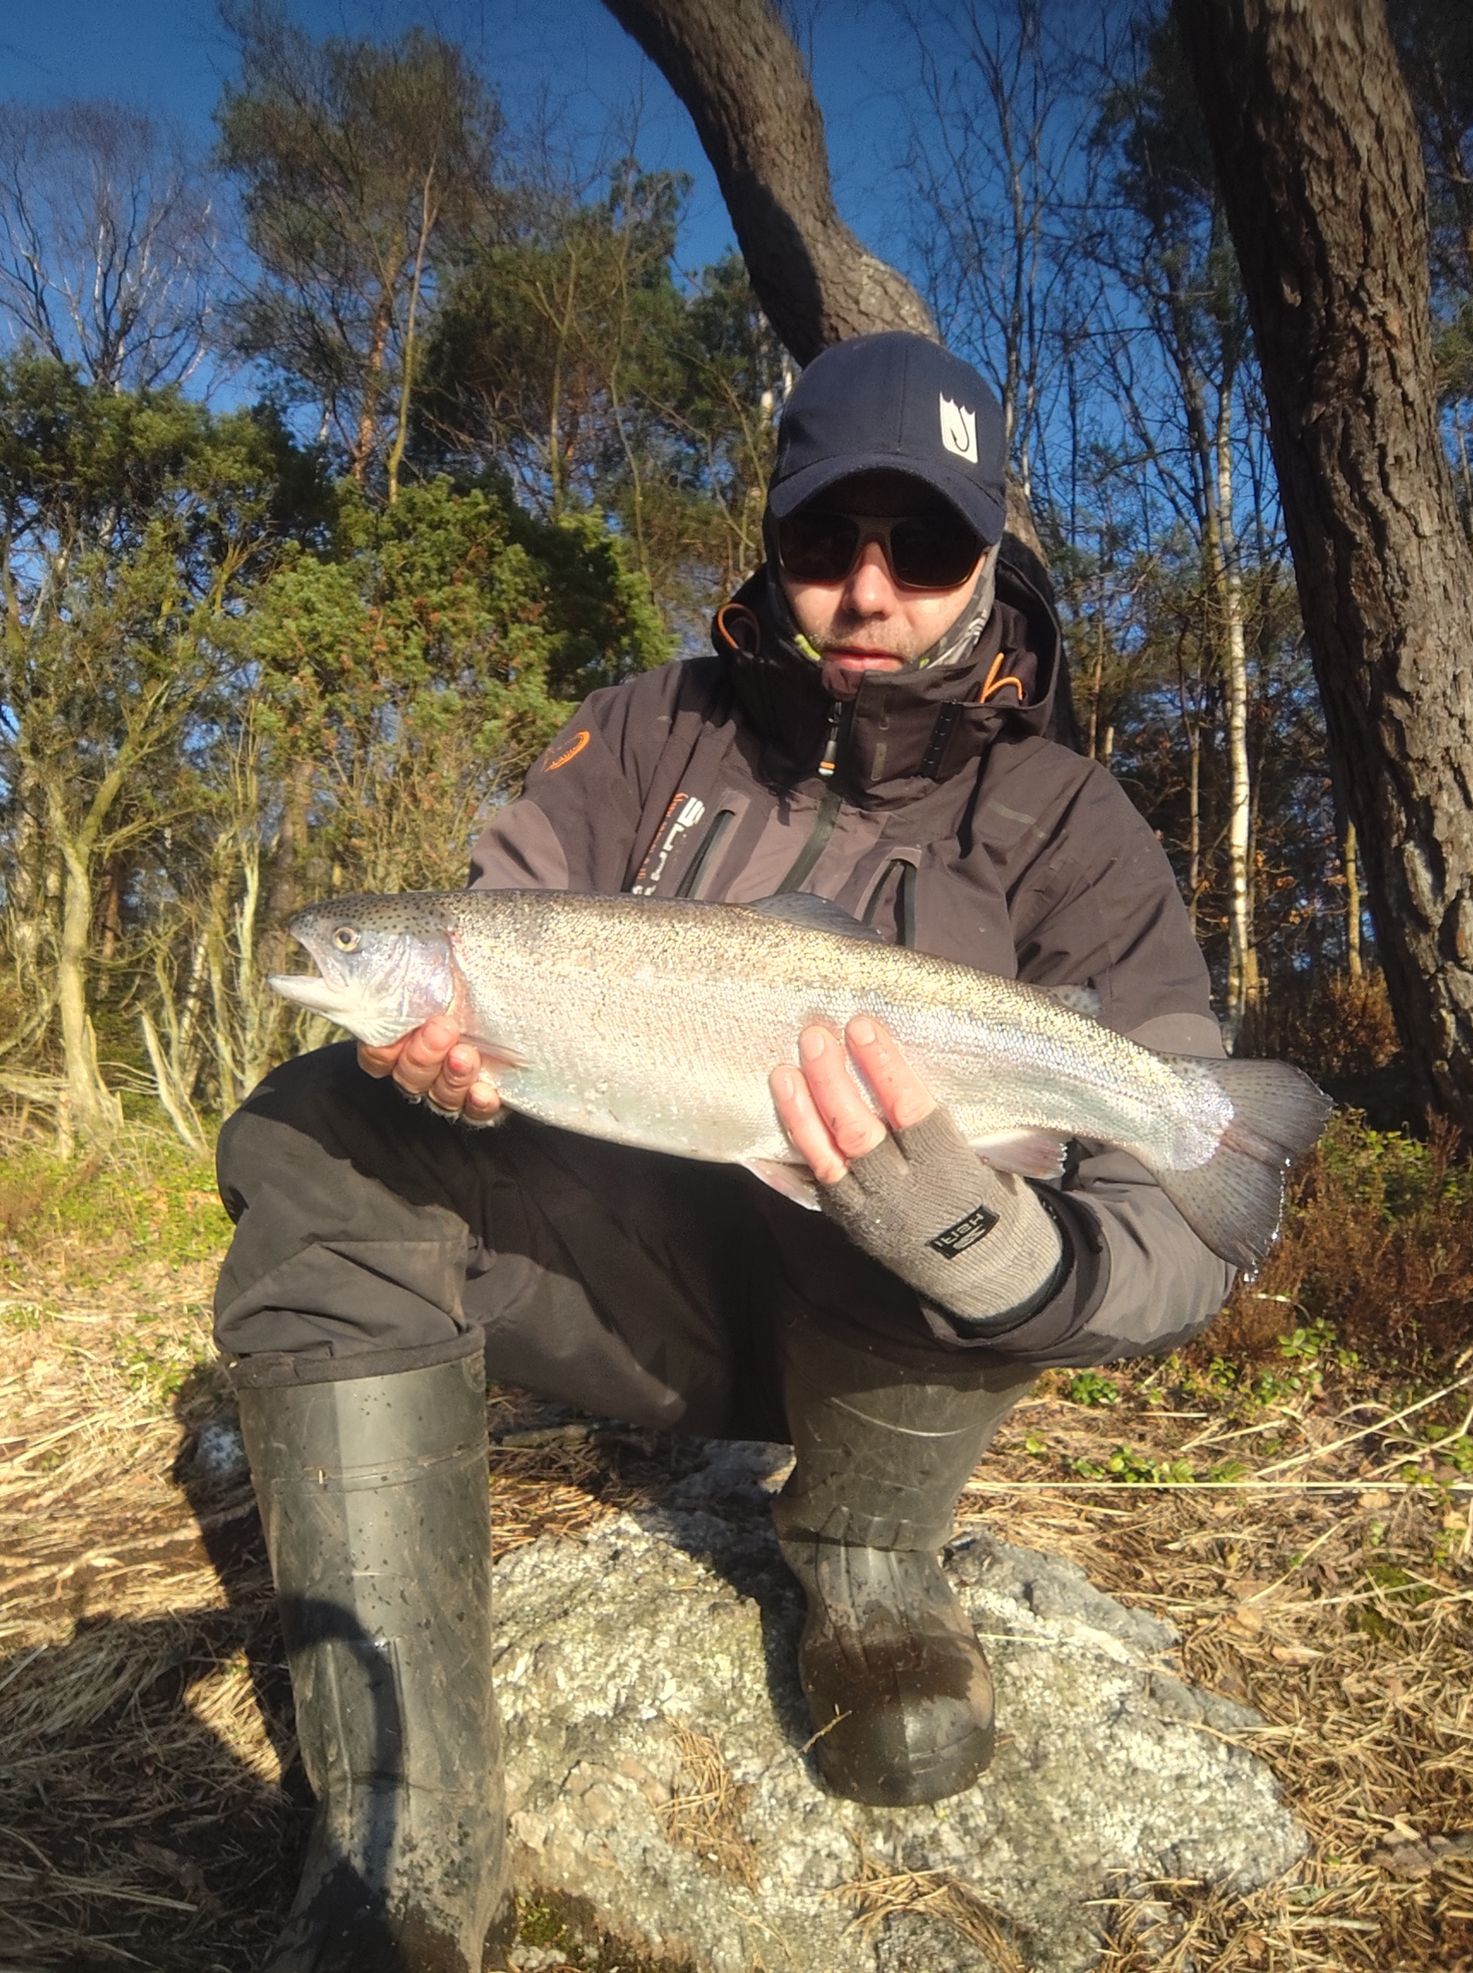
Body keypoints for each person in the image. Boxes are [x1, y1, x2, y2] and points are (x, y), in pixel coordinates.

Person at [214, 331, 1237, 1972]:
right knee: (309, 1124)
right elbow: (507, 895)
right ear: (773, 539)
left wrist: (1007, 1247)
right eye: (827, 536)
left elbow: (1192, 1190)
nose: (867, 587)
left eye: (923, 544)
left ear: (991, 557)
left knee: (979, 1222)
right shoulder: (645, 729)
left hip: (894, 1346)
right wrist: (448, 1080)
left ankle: (872, 1554)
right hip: (634, 1295)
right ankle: (405, 1833)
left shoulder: (1075, 825)